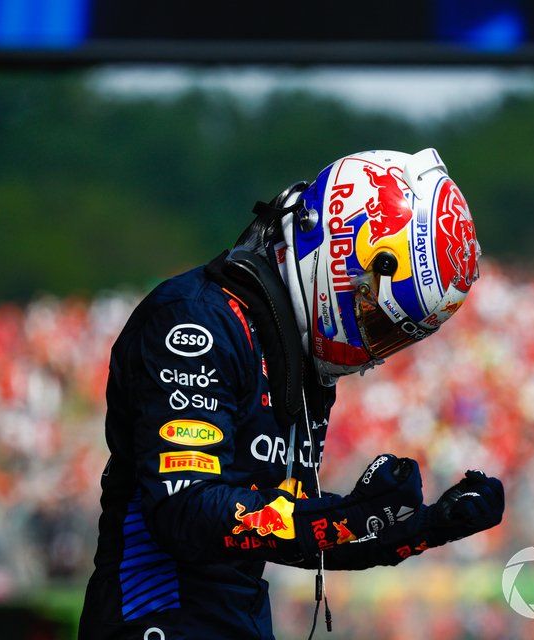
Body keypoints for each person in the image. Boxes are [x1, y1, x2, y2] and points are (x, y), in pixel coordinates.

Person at [78, 149, 505, 639]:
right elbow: (185, 511)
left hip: (236, 621)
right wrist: (347, 515)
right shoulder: (197, 322)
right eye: (373, 316)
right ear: (340, 253)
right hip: (152, 619)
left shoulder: (298, 359)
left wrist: (428, 525)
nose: (373, 346)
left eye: (394, 335)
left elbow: (290, 532)